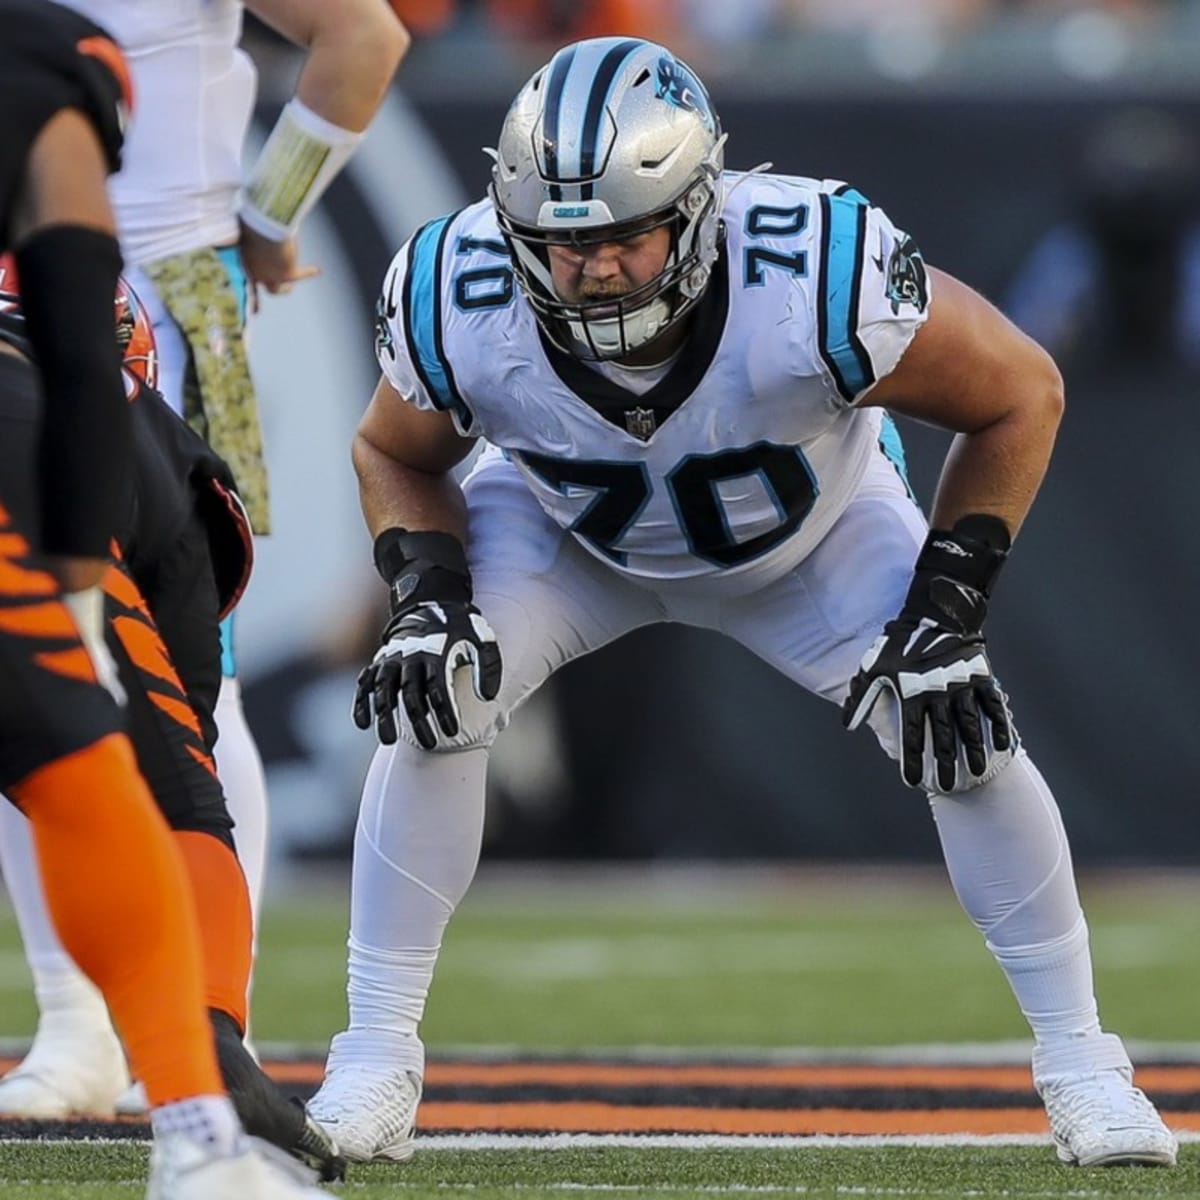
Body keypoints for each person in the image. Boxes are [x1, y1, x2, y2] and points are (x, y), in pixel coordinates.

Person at [305, 37, 1178, 1169]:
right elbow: (391, 448)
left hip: (811, 539)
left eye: (628, 233)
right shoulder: (459, 287)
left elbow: (1021, 392)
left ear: (704, 205)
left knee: (956, 727)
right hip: (571, 538)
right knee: (441, 692)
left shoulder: (811, 265)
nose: (602, 268)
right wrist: (424, 594)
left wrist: (948, 608)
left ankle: (1084, 1067)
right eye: (567, 245)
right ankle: (373, 1057)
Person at [0, 0, 409, 1119]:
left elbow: (363, 39)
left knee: (190, 672)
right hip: (24, 300)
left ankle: (198, 1014)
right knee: (23, 657)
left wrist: (267, 220)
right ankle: (77, 1020)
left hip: (166, 302)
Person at [0, 262, 345, 1180]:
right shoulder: (140, 426)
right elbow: (179, 770)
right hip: (57, 529)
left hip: (182, 306)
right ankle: (201, 1050)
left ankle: (93, 1029)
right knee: (171, 790)